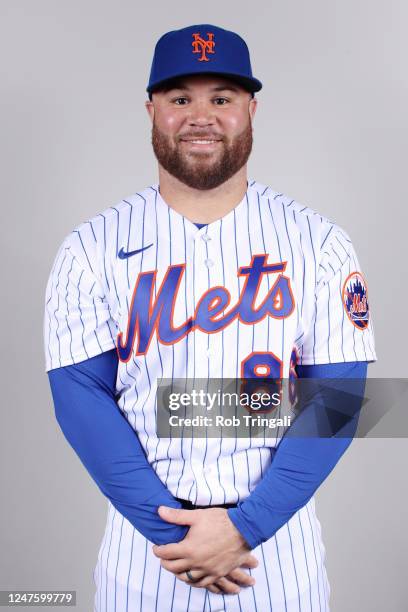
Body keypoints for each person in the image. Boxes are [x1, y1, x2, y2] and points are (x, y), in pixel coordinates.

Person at [44, 23, 376, 612]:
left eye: (221, 98)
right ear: (151, 110)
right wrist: (179, 539)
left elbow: (341, 397)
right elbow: (80, 398)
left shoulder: (318, 241)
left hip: (277, 558)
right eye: (180, 99)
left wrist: (248, 526)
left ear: (252, 109)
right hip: (144, 559)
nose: (201, 116)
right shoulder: (91, 246)